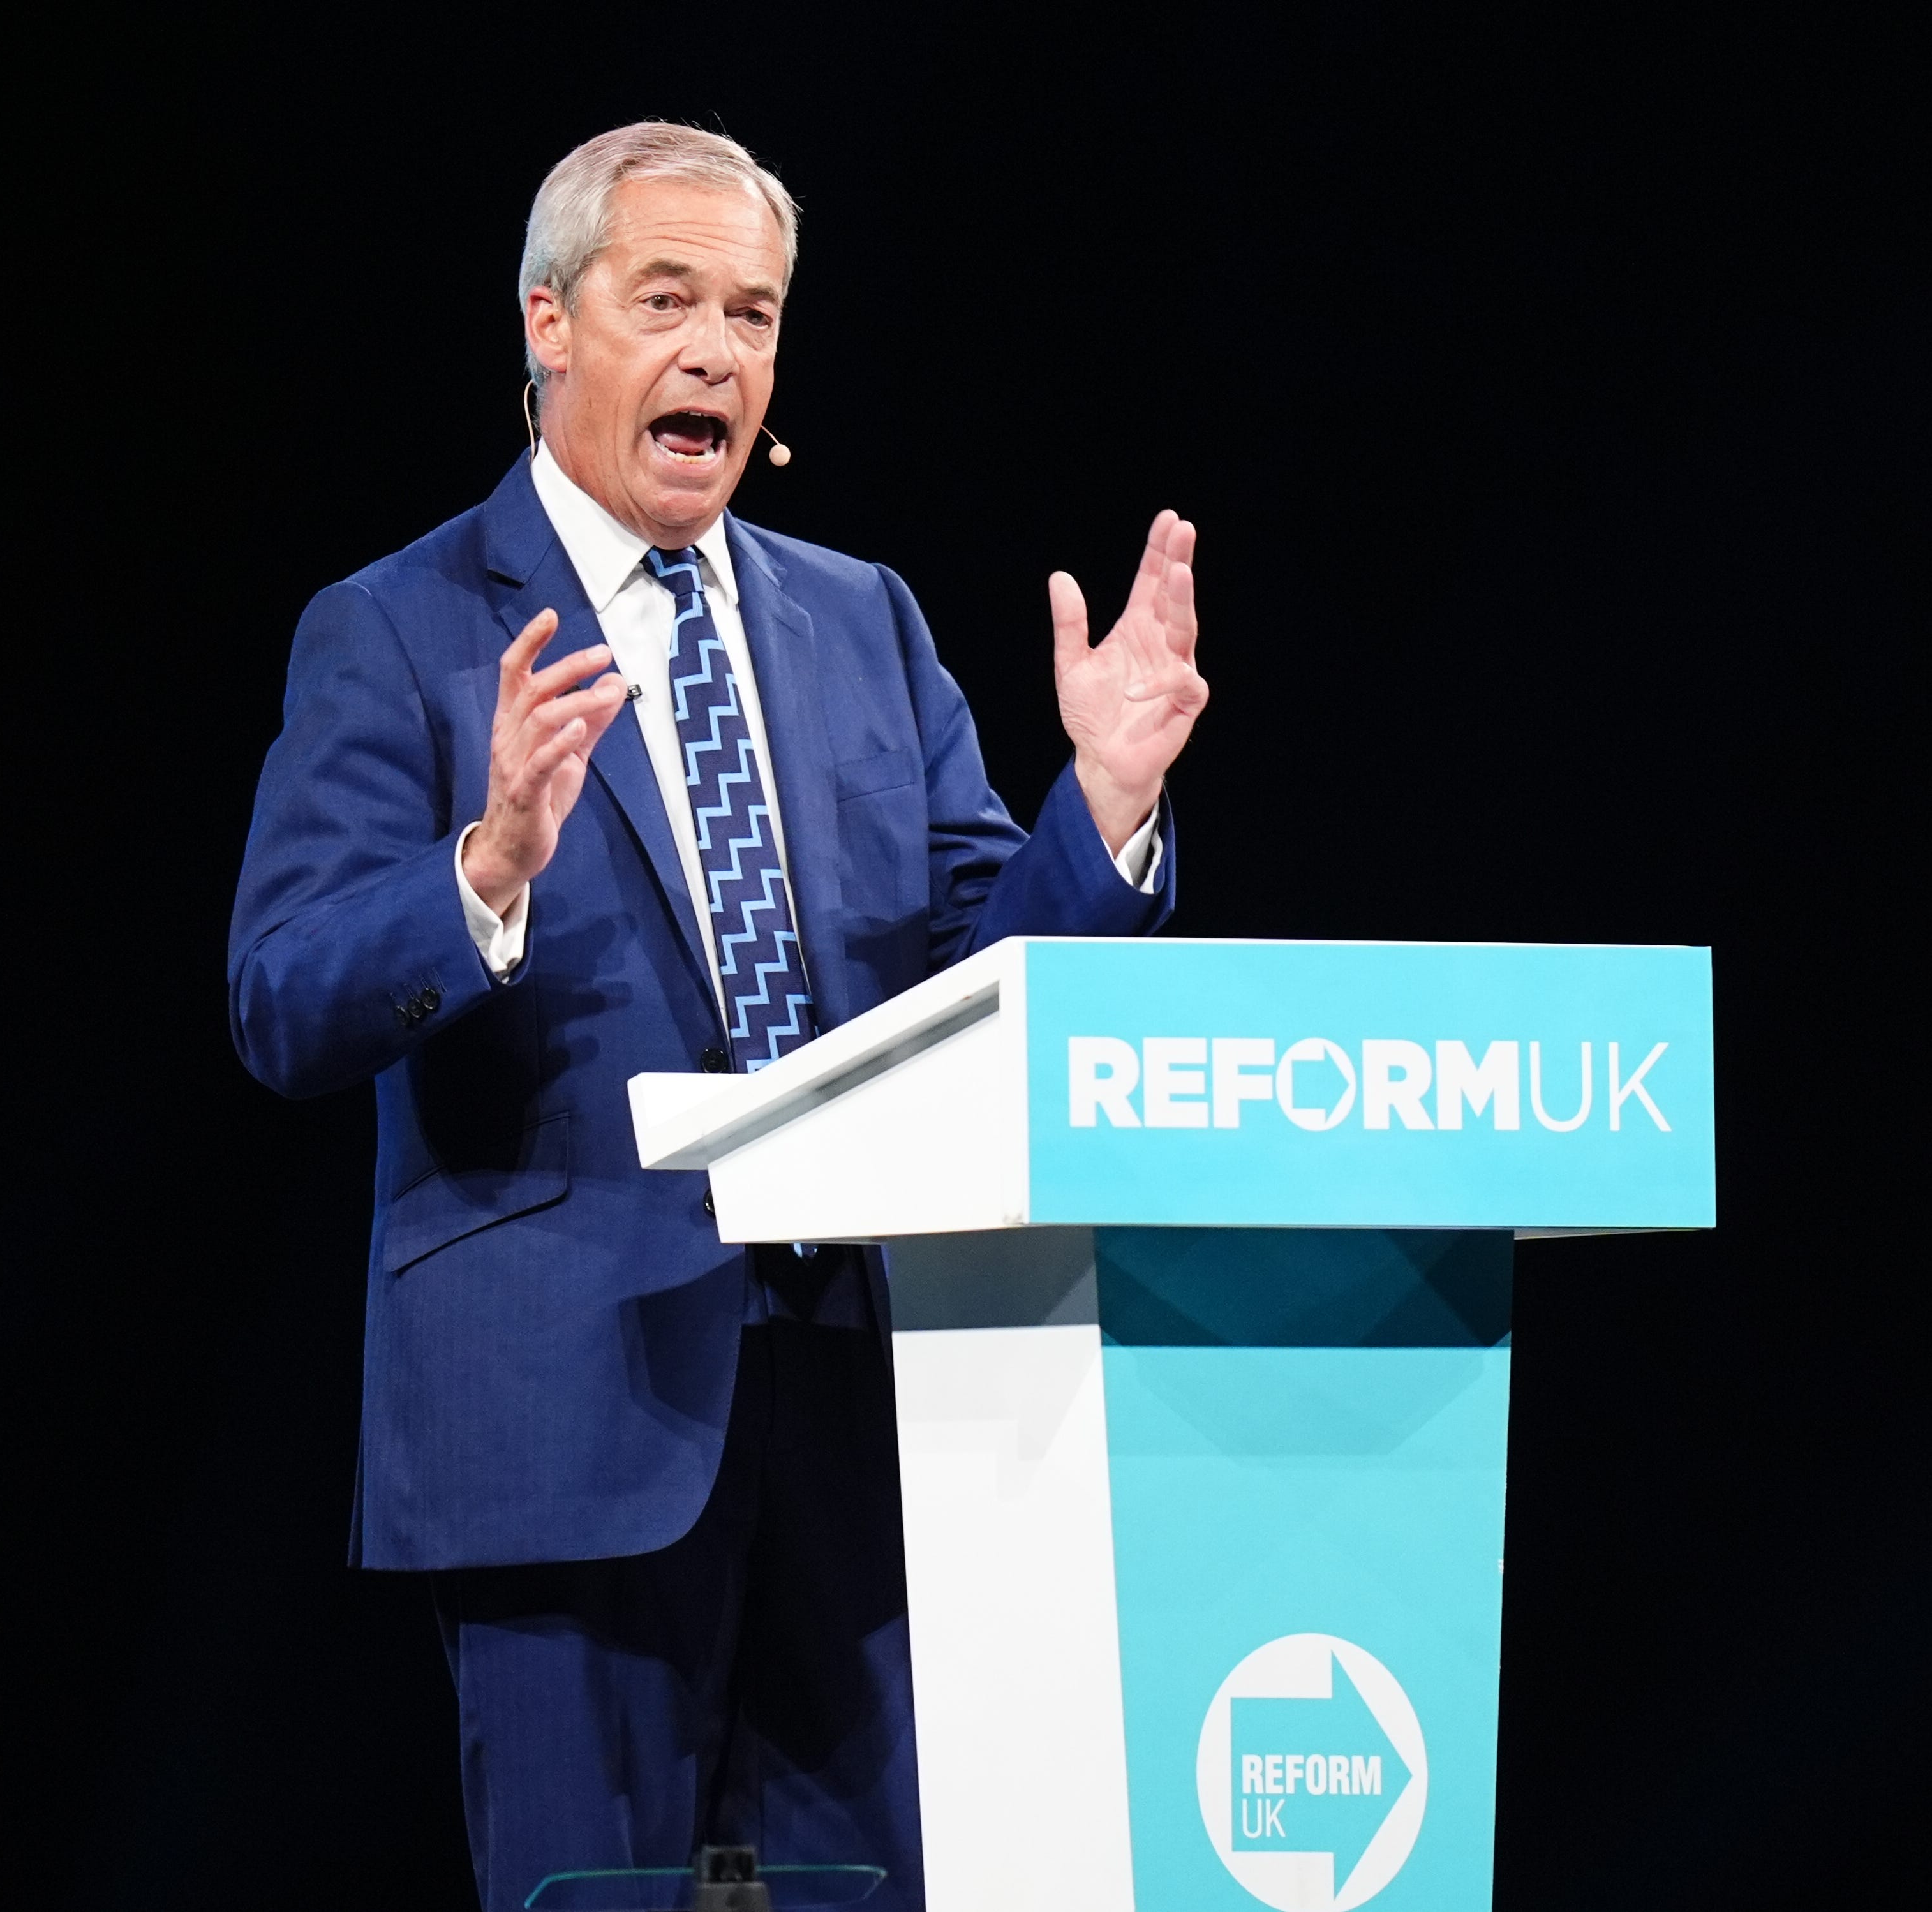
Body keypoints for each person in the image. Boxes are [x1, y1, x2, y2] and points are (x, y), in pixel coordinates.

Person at [226, 122, 1206, 1912]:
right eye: (665, 297)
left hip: (864, 1410)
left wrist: (1108, 807)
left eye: (752, 313)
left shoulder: (862, 620)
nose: (717, 352)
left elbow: (988, 969)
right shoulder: (397, 629)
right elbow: (283, 999)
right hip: (565, 1419)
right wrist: (484, 868)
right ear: (547, 321)